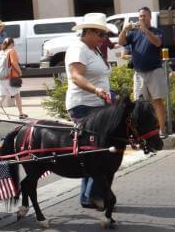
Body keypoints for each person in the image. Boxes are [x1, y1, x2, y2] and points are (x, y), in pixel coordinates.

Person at [65, 13, 112, 210]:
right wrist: (96, 90)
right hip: (83, 105)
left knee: (94, 151)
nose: (104, 39)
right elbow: (76, 76)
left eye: (104, 34)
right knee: (97, 152)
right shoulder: (78, 49)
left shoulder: (94, 50)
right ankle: (94, 194)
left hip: (97, 105)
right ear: (89, 32)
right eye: (101, 34)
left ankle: (89, 196)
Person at [119, 6, 168, 139]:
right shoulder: (133, 33)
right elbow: (121, 42)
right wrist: (124, 30)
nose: (141, 18)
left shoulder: (157, 31)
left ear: (150, 17)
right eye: (140, 16)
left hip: (154, 71)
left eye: (144, 16)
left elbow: (157, 43)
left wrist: (145, 30)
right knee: (140, 104)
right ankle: (144, 132)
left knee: (157, 101)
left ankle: (162, 129)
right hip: (139, 73)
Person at [0, 37, 27, 121]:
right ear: (11, 44)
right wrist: (20, 72)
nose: (14, 45)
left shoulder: (1, 52)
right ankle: (21, 113)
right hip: (11, 77)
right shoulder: (11, 51)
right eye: (13, 43)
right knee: (17, 95)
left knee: (1, 96)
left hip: (2, 78)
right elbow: (14, 63)